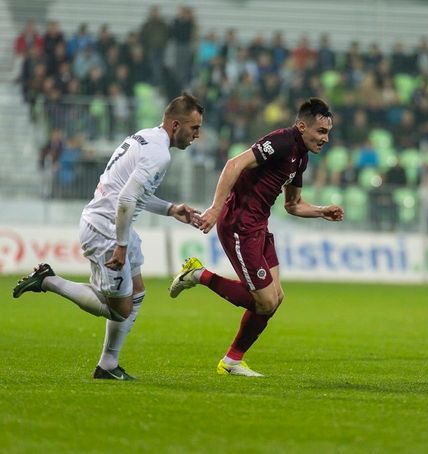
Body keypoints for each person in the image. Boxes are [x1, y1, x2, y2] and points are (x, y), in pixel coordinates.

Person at [13, 93, 204, 380]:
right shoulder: (159, 154)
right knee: (119, 310)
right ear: (176, 125)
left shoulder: (145, 137)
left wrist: (170, 209)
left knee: (137, 292)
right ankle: (48, 281)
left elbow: (133, 192)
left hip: (109, 223)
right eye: (194, 128)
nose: (197, 136)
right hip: (107, 229)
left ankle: (108, 365)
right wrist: (121, 246)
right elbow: (126, 197)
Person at [169, 98, 344, 377]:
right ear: (301, 126)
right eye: (321, 132)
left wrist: (323, 211)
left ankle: (232, 361)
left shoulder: (301, 157)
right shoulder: (282, 141)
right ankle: (198, 275)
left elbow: (293, 205)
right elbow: (233, 165)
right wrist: (215, 209)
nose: (326, 139)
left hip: (259, 225)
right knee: (264, 301)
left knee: (276, 298)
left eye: (328, 133)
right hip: (240, 224)